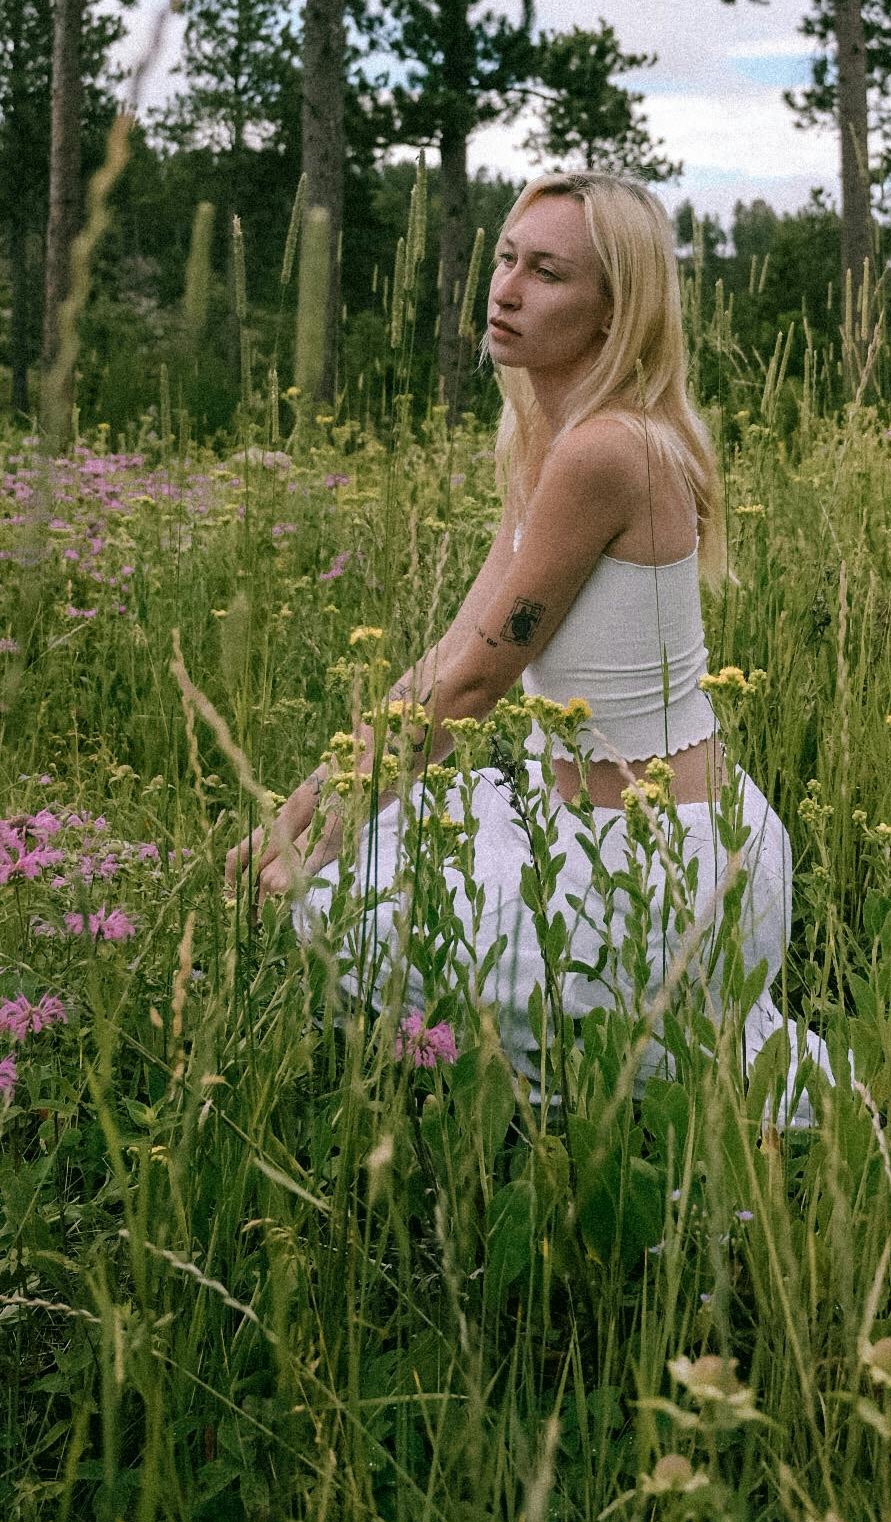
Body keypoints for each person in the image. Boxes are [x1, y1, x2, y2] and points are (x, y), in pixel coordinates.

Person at [228, 171, 826, 1116]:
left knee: (327, 913)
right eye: (506, 259)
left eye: (547, 273)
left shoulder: (608, 451)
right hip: (597, 834)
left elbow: (473, 691)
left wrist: (315, 840)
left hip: (663, 869)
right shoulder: (550, 437)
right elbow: (455, 647)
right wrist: (307, 801)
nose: (506, 289)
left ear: (612, 313)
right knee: (361, 866)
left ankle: (636, 1112)